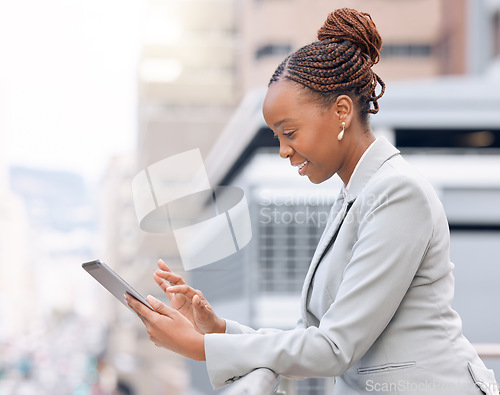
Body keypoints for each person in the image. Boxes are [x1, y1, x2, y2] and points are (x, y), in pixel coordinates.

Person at [125, 8, 499, 394]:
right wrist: (219, 329)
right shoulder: (356, 195)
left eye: (289, 132)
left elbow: (333, 348)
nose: (284, 151)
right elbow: (314, 335)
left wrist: (202, 348)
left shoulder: (397, 194)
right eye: (277, 137)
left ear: (341, 112)